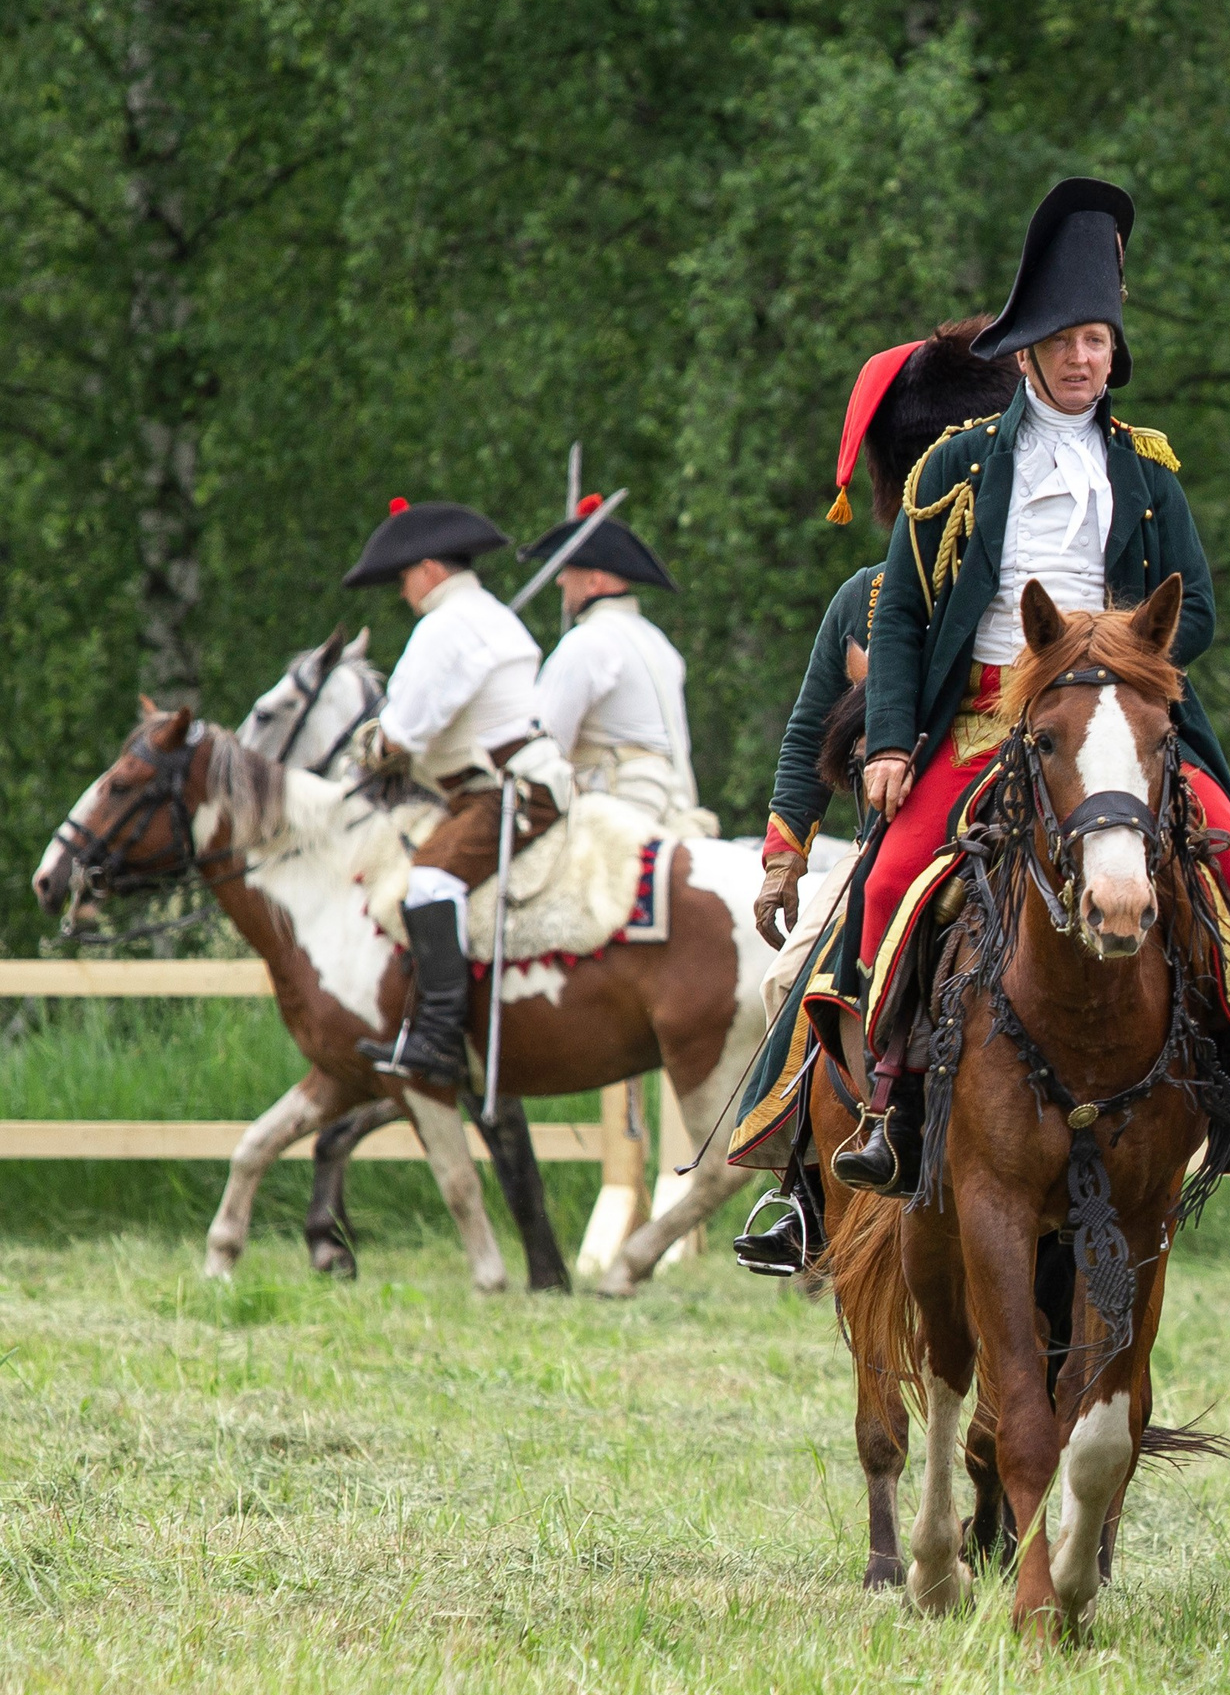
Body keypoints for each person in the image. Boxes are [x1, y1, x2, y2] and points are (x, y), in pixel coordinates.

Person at [839, 178, 1230, 1197]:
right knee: (888, 886)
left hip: (1113, 708)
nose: (1079, 356)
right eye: (1062, 338)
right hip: (979, 712)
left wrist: (1117, 653)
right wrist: (889, 742)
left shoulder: (1149, 474)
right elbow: (901, 615)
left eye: (1096, 338)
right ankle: (885, 1103)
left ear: (1114, 351)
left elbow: (1195, 613)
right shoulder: (951, 468)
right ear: (1025, 352)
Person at [728, 322, 1019, 1277]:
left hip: (1025, 822)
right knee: (790, 983)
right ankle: (805, 1187)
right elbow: (810, 734)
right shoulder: (861, 598)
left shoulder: (1026, 582)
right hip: (890, 835)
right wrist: (784, 856)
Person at [341, 498, 574, 1089]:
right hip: (505, 783)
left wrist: (370, 747)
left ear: (429, 569)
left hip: (506, 792)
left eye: (403, 578)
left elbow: (404, 732)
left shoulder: (445, 626)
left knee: (428, 880)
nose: (402, 591)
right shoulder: (487, 615)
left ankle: (439, 1037)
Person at [528, 500, 713, 833]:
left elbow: (545, 743)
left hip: (616, 809)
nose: (559, 582)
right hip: (669, 802)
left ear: (594, 582)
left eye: (568, 571)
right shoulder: (659, 641)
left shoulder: (587, 641)